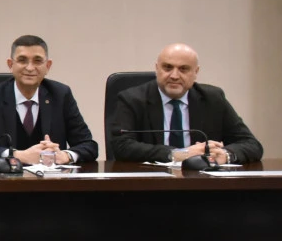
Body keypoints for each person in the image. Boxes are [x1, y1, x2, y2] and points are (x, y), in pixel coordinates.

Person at [108, 42, 263, 164]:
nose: (174, 76)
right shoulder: (132, 99)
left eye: (183, 69)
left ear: (196, 72)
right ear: (157, 69)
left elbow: (251, 144)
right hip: (151, 182)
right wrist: (178, 154)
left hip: (202, 181)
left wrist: (225, 155)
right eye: (167, 67)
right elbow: (122, 146)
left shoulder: (213, 98)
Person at [0, 35, 99, 165]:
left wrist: (65, 156)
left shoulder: (61, 95)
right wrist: (16, 155)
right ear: (10, 64)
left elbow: (89, 145)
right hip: (2, 180)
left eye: (37, 61)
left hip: (50, 180)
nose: (30, 68)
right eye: (22, 60)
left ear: (48, 66)